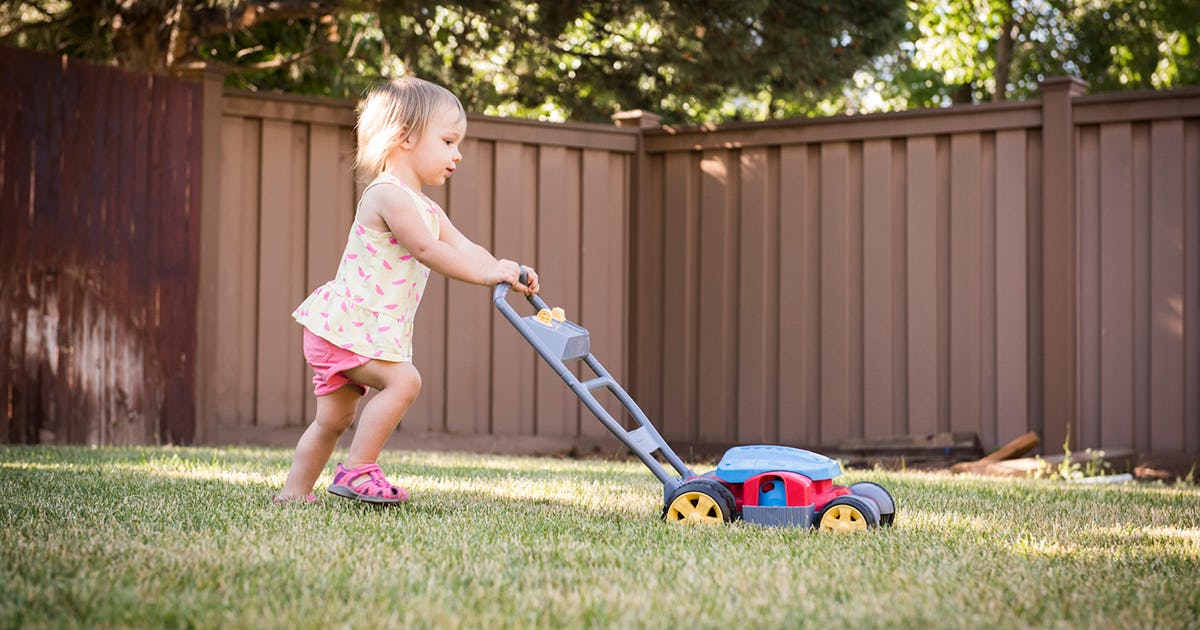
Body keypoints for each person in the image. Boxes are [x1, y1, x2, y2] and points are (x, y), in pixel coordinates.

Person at [274, 77, 539, 505]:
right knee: (404, 381)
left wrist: (503, 269)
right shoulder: (387, 195)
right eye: (449, 140)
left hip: (359, 330)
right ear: (405, 137)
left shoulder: (427, 207)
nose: (458, 154)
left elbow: (464, 247)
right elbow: (426, 249)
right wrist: (484, 276)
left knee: (333, 420)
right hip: (349, 324)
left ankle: (293, 495)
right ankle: (359, 470)